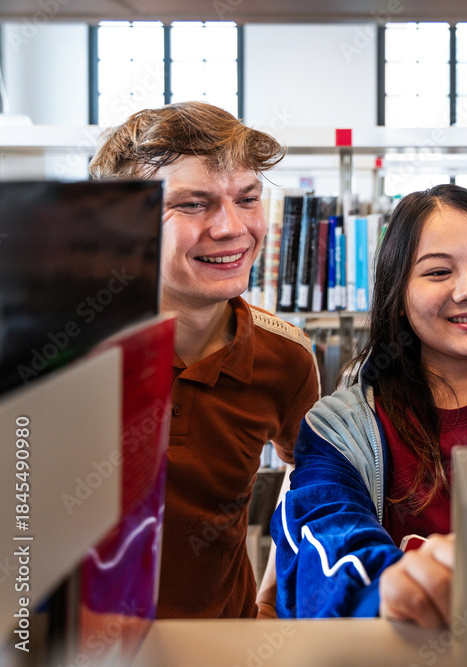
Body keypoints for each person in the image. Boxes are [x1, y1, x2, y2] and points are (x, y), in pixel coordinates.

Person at [89, 101, 321, 619]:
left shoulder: (287, 358)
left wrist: (271, 601)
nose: (232, 228)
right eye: (194, 203)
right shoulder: (64, 353)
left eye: (248, 198)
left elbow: (308, 478)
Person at [273, 184, 467, 628]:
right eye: (438, 273)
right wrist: (393, 587)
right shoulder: (339, 430)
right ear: (398, 297)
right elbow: (325, 545)